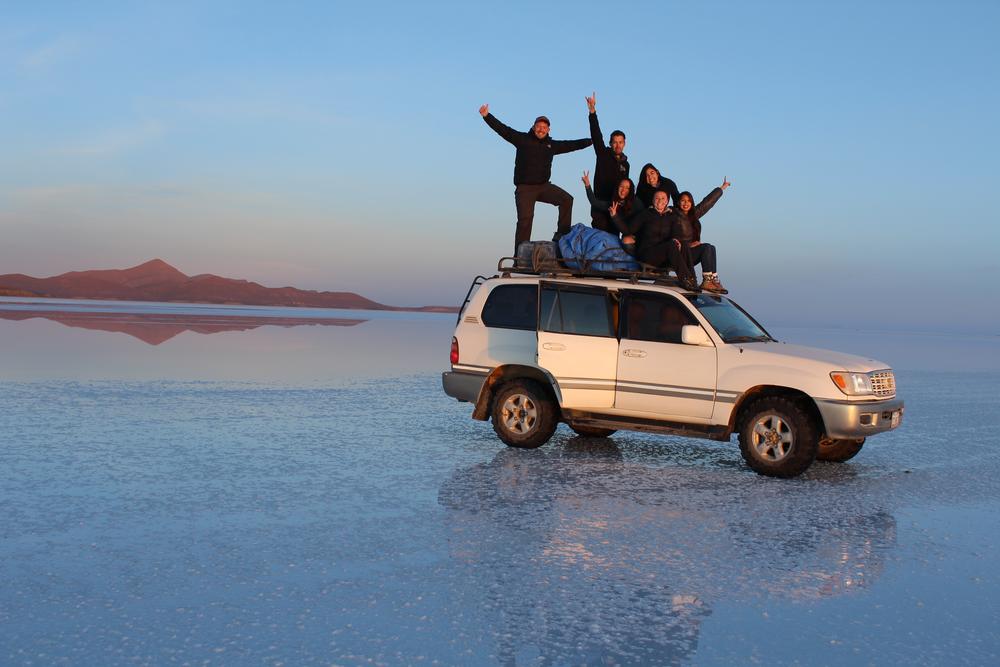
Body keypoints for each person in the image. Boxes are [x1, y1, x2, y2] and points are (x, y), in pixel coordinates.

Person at [480, 104, 592, 252]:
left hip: (543, 186)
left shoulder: (551, 145)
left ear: (549, 130)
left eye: (544, 127)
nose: (541, 129)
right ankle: (519, 257)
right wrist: (487, 116)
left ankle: (562, 239)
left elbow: (570, 145)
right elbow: (503, 130)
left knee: (567, 200)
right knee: (525, 221)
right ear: (533, 127)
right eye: (539, 126)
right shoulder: (522, 139)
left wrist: (591, 141)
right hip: (525, 189)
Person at [614, 190, 698, 290]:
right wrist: (615, 216)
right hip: (647, 253)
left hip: (663, 254)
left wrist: (677, 240)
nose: (660, 201)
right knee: (671, 245)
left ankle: (693, 280)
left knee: (683, 244)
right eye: (657, 198)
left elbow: (677, 234)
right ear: (653, 200)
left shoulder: (672, 216)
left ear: (667, 201)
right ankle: (686, 279)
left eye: (663, 198)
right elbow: (628, 230)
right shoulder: (645, 214)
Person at [669, 178, 731, 293]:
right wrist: (688, 245)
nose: (686, 203)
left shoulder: (694, 215)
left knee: (711, 248)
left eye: (688, 201)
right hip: (681, 254)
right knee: (706, 247)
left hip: (690, 253)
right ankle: (707, 281)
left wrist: (722, 188)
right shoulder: (673, 215)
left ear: (691, 203)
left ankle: (713, 279)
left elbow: (707, 203)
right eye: (683, 200)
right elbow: (672, 234)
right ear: (678, 202)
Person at [584, 92, 629, 201]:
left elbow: (625, 187)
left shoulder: (626, 164)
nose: (618, 145)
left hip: (616, 205)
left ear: (624, 144)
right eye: (615, 142)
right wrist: (592, 112)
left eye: (620, 142)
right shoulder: (603, 153)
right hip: (600, 202)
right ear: (610, 143)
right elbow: (596, 135)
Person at [581, 170, 637, 247]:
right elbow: (594, 203)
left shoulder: (635, 203)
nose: (624, 190)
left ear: (630, 190)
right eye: (621, 186)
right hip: (615, 240)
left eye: (627, 188)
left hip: (634, 237)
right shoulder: (613, 204)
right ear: (617, 188)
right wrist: (587, 185)